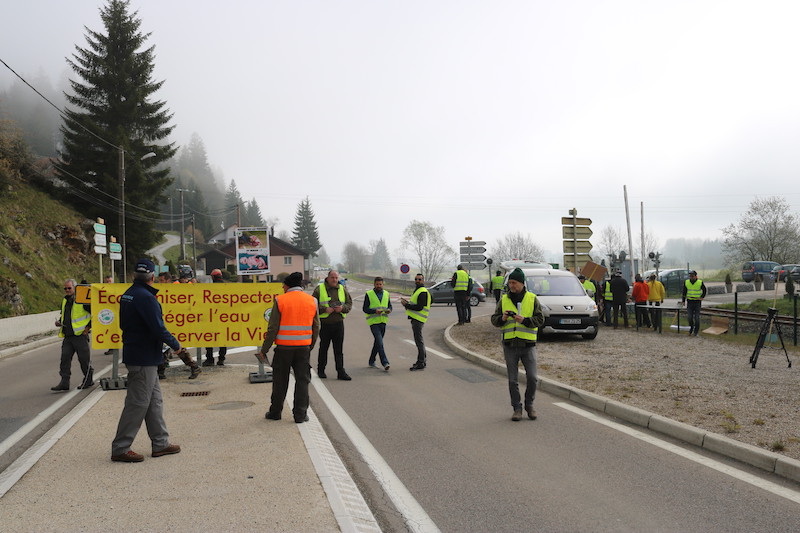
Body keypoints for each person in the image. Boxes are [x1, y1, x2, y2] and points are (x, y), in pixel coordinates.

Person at [111, 259, 183, 462]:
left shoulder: (129, 294)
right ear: (152, 276)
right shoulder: (146, 298)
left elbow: (128, 325)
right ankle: (120, 447)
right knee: (137, 403)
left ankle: (160, 443)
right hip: (143, 357)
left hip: (142, 355)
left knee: (154, 402)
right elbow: (158, 328)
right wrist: (176, 345)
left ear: (135, 275)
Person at [258, 272, 320, 423]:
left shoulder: (280, 300)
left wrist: (264, 350)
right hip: (303, 348)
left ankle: (275, 412)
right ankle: (300, 415)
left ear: (288, 285)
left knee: (280, 381)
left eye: (283, 285)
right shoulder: (312, 300)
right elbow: (316, 326)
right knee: (302, 381)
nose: (282, 287)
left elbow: (273, 328)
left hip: (283, 349)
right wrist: (310, 345)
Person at [490, 267, 545, 422]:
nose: (511, 285)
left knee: (532, 378)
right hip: (510, 345)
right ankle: (517, 408)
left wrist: (525, 321)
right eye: (510, 283)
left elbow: (540, 320)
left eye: (514, 282)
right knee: (512, 380)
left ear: (522, 283)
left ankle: (529, 405)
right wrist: (502, 318)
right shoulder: (504, 299)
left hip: (528, 345)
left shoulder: (532, 299)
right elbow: (494, 320)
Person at [50, 278, 94, 391]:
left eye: (69, 288)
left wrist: (87, 328)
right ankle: (64, 382)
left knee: (84, 360)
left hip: (80, 336)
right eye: (65, 288)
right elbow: (65, 314)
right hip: (68, 335)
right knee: (64, 359)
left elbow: (94, 314)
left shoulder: (82, 300)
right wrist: (60, 322)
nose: (67, 290)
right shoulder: (65, 300)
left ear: (75, 288)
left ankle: (88, 380)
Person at [312, 270, 353, 380]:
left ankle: (340, 372)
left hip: (338, 323)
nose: (334, 280)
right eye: (332, 278)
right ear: (328, 278)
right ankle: (321, 370)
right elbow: (312, 305)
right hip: (325, 324)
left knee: (338, 350)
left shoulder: (342, 289)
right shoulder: (319, 289)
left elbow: (349, 303)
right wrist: (325, 309)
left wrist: (342, 308)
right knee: (323, 348)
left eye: (336, 278)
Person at [401, 273, 430, 371]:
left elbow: (419, 307)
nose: (417, 281)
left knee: (419, 341)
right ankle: (422, 361)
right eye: (416, 279)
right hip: (416, 318)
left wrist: (406, 305)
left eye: (419, 279)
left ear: (423, 280)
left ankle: (421, 362)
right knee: (419, 341)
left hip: (418, 319)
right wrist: (408, 304)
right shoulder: (418, 290)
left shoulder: (422, 292)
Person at [363, 276, 392, 371]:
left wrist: (389, 310)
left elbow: (390, 306)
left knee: (377, 343)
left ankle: (371, 361)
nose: (379, 286)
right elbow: (365, 308)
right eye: (377, 284)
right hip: (373, 322)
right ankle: (385, 362)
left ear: (383, 284)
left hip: (383, 321)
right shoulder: (369, 294)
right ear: (374, 284)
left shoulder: (387, 294)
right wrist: (375, 311)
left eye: (380, 284)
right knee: (380, 342)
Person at [203, 268, 228, 366]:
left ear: (213, 277)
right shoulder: (227, 287)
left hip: (211, 316)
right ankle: (221, 358)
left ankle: (210, 359)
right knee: (223, 338)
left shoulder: (211, 288)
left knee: (209, 337)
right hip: (224, 317)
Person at [681, 270, 707, 336]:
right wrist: (683, 301)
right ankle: (691, 329)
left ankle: (696, 332)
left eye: (692, 276)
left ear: (695, 276)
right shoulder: (686, 282)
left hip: (697, 302)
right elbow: (684, 292)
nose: (691, 277)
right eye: (690, 276)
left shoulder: (700, 282)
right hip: (690, 302)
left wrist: (702, 297)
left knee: (697, 318)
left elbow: (704, 290)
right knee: (689, 317)